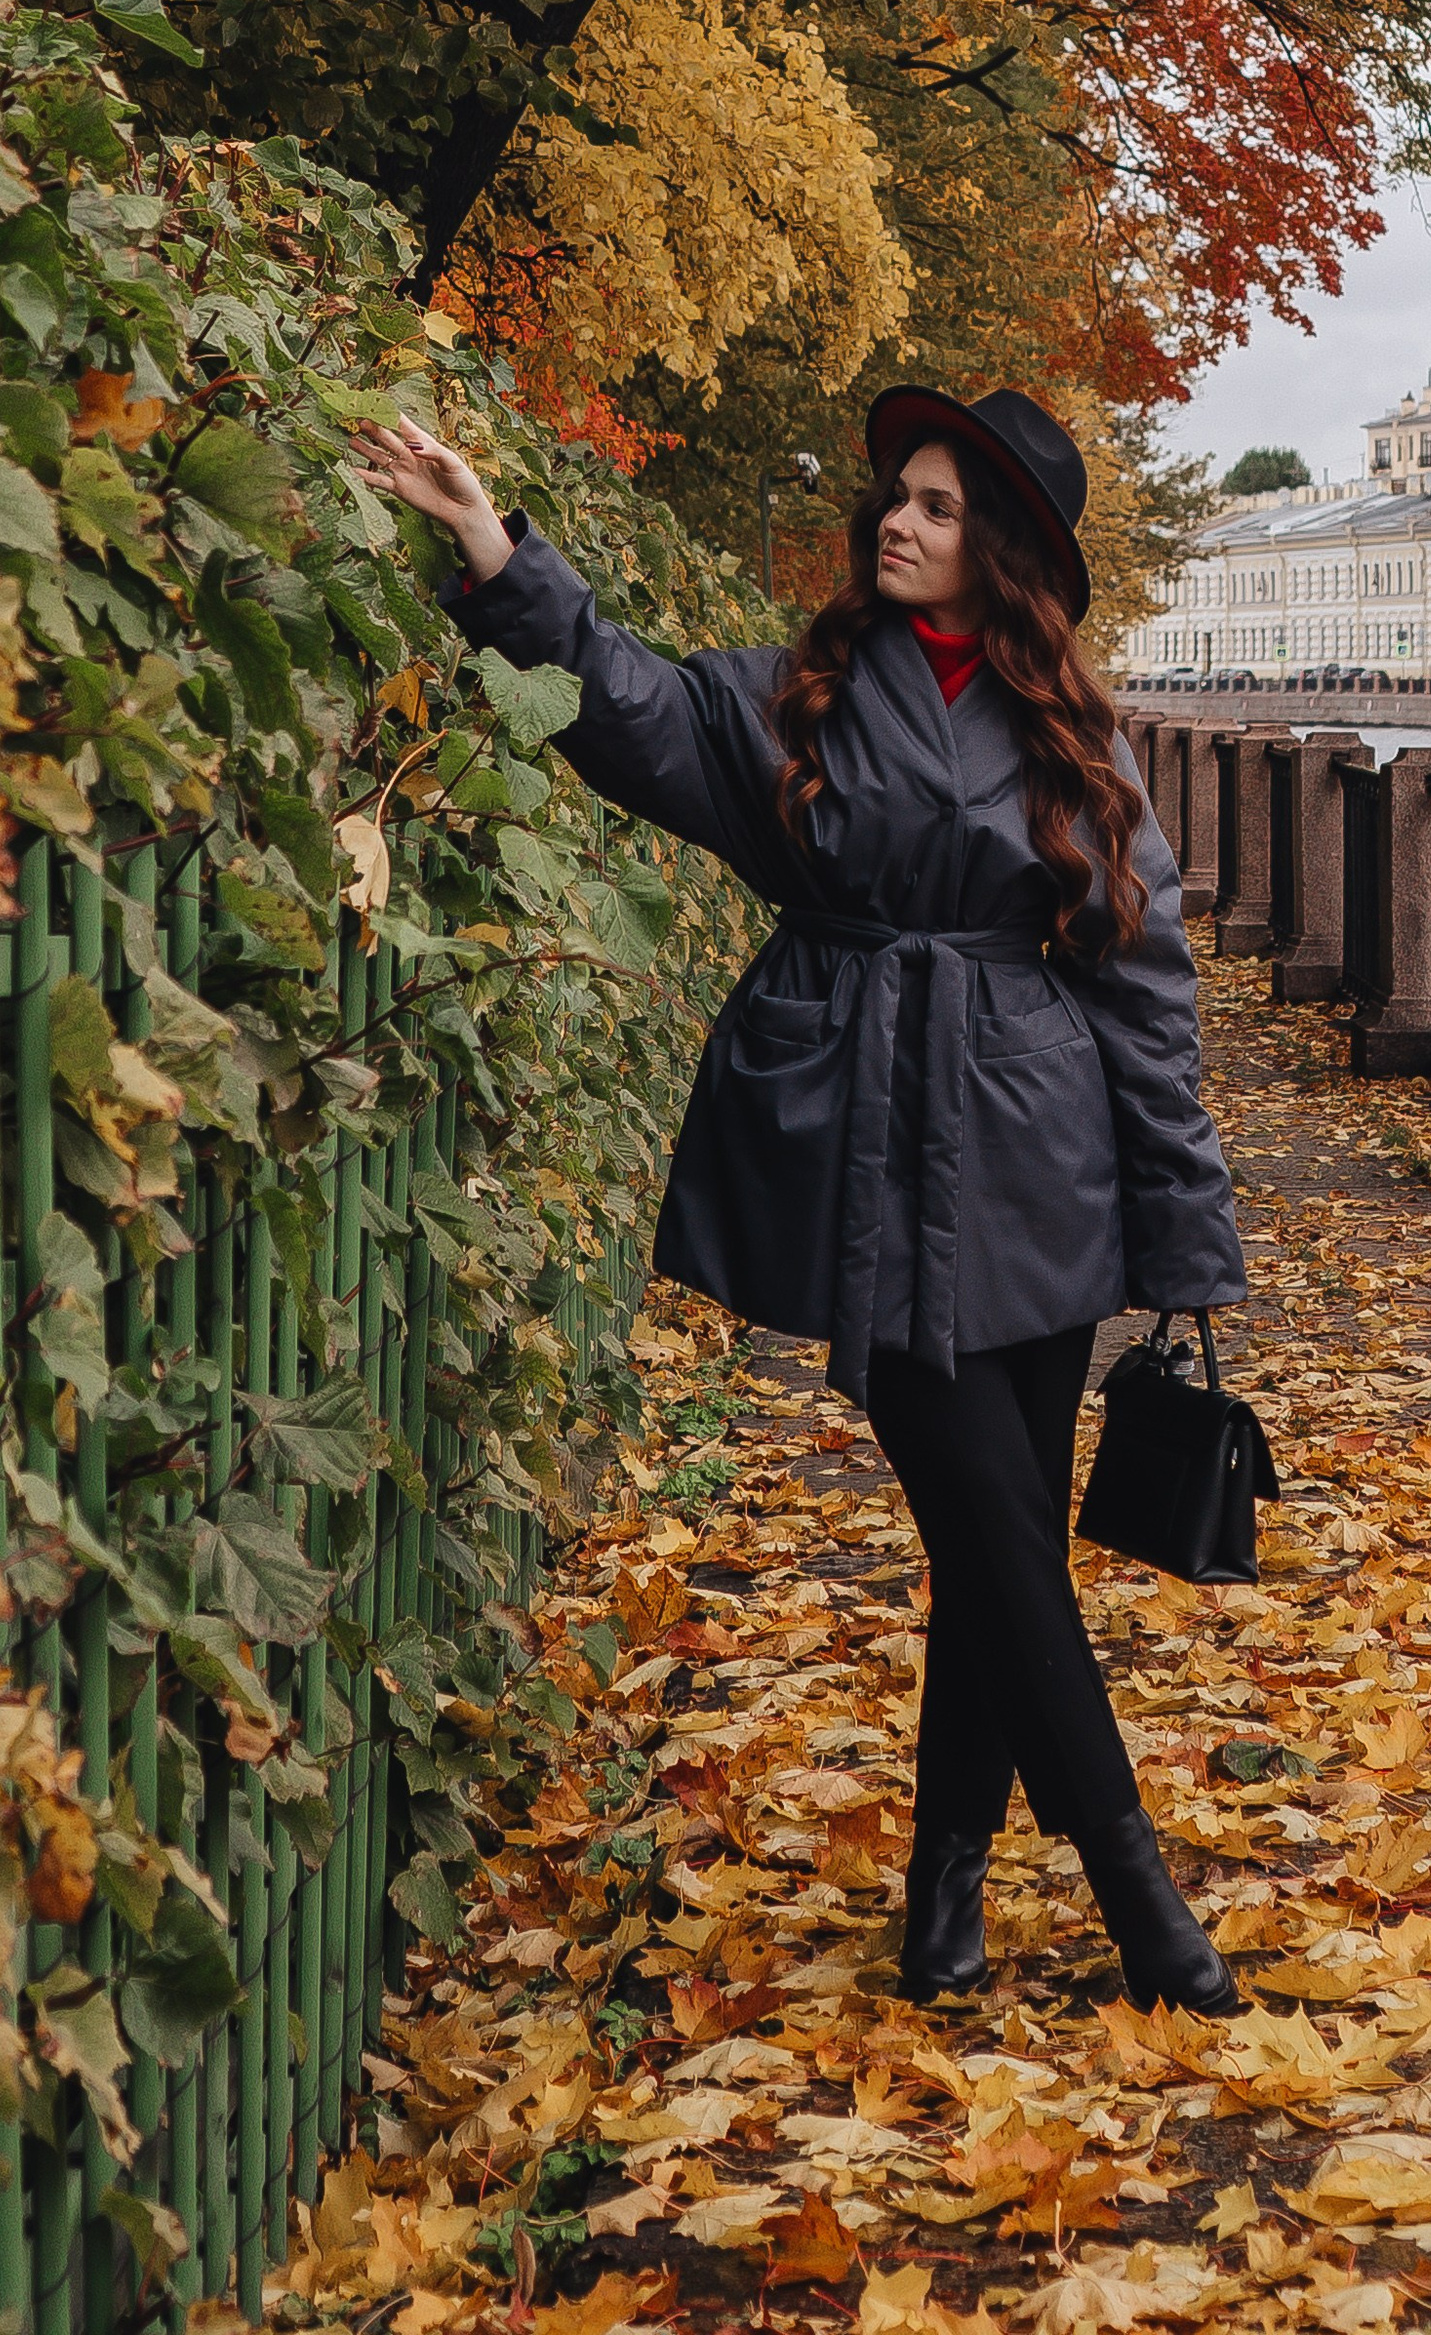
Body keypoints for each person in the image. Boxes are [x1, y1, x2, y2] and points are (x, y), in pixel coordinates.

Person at [348, 379, 1247, 2014]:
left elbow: (1148, 995)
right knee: (991, 1532)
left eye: (939, 507)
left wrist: (1183, 1234)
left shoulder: (1081, 739)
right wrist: (495, 549)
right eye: (894, 497)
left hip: (1043, 1162)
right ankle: (1140, 1897)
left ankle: (943, 1902)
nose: (896, 521)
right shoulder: (803, 696)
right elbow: (629, 705)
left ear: (1010, 555)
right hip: (877, 1153)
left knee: (1003, 1548)